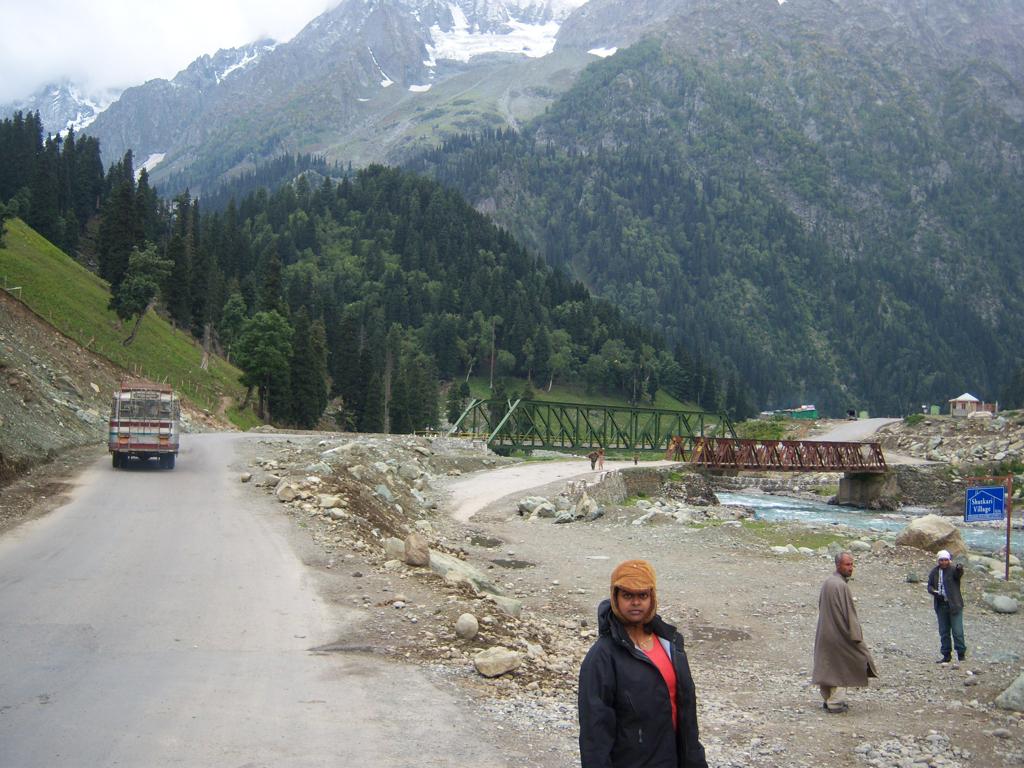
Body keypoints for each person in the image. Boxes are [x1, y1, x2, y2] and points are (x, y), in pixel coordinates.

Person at [578, 560, 708, 768]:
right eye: (628, 595)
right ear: (615, 598)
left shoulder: (671, 644)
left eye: (642, 595)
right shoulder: (602, 657)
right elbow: (595, 735)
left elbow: (687, 718)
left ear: (652, 597)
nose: (636, 602)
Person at [812, 551, 878, 713]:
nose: (851, 568)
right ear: (838, 565)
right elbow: (849, 615)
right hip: (838, 634)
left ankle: (828, 699)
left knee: (828, 665)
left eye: (852, 564)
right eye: (847, 564)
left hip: (825, 632)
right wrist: (857, 638)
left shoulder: (828, 582)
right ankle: (835, 703)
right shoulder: (840, 586)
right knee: (844, 664)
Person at [927, 549, 966, 663]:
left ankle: (961, 654)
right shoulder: (934, 572)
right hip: (941, 605)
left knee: (957, 631)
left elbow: (959, 574)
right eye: (941, 560)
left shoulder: (953, 570)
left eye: (945, 560)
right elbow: (929, 586)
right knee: (944, 632)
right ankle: (946, 655)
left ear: (949, 560)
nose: (943, 562)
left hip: (955, 605)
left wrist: (960, 568)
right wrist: (934, 591)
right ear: (938, 561)